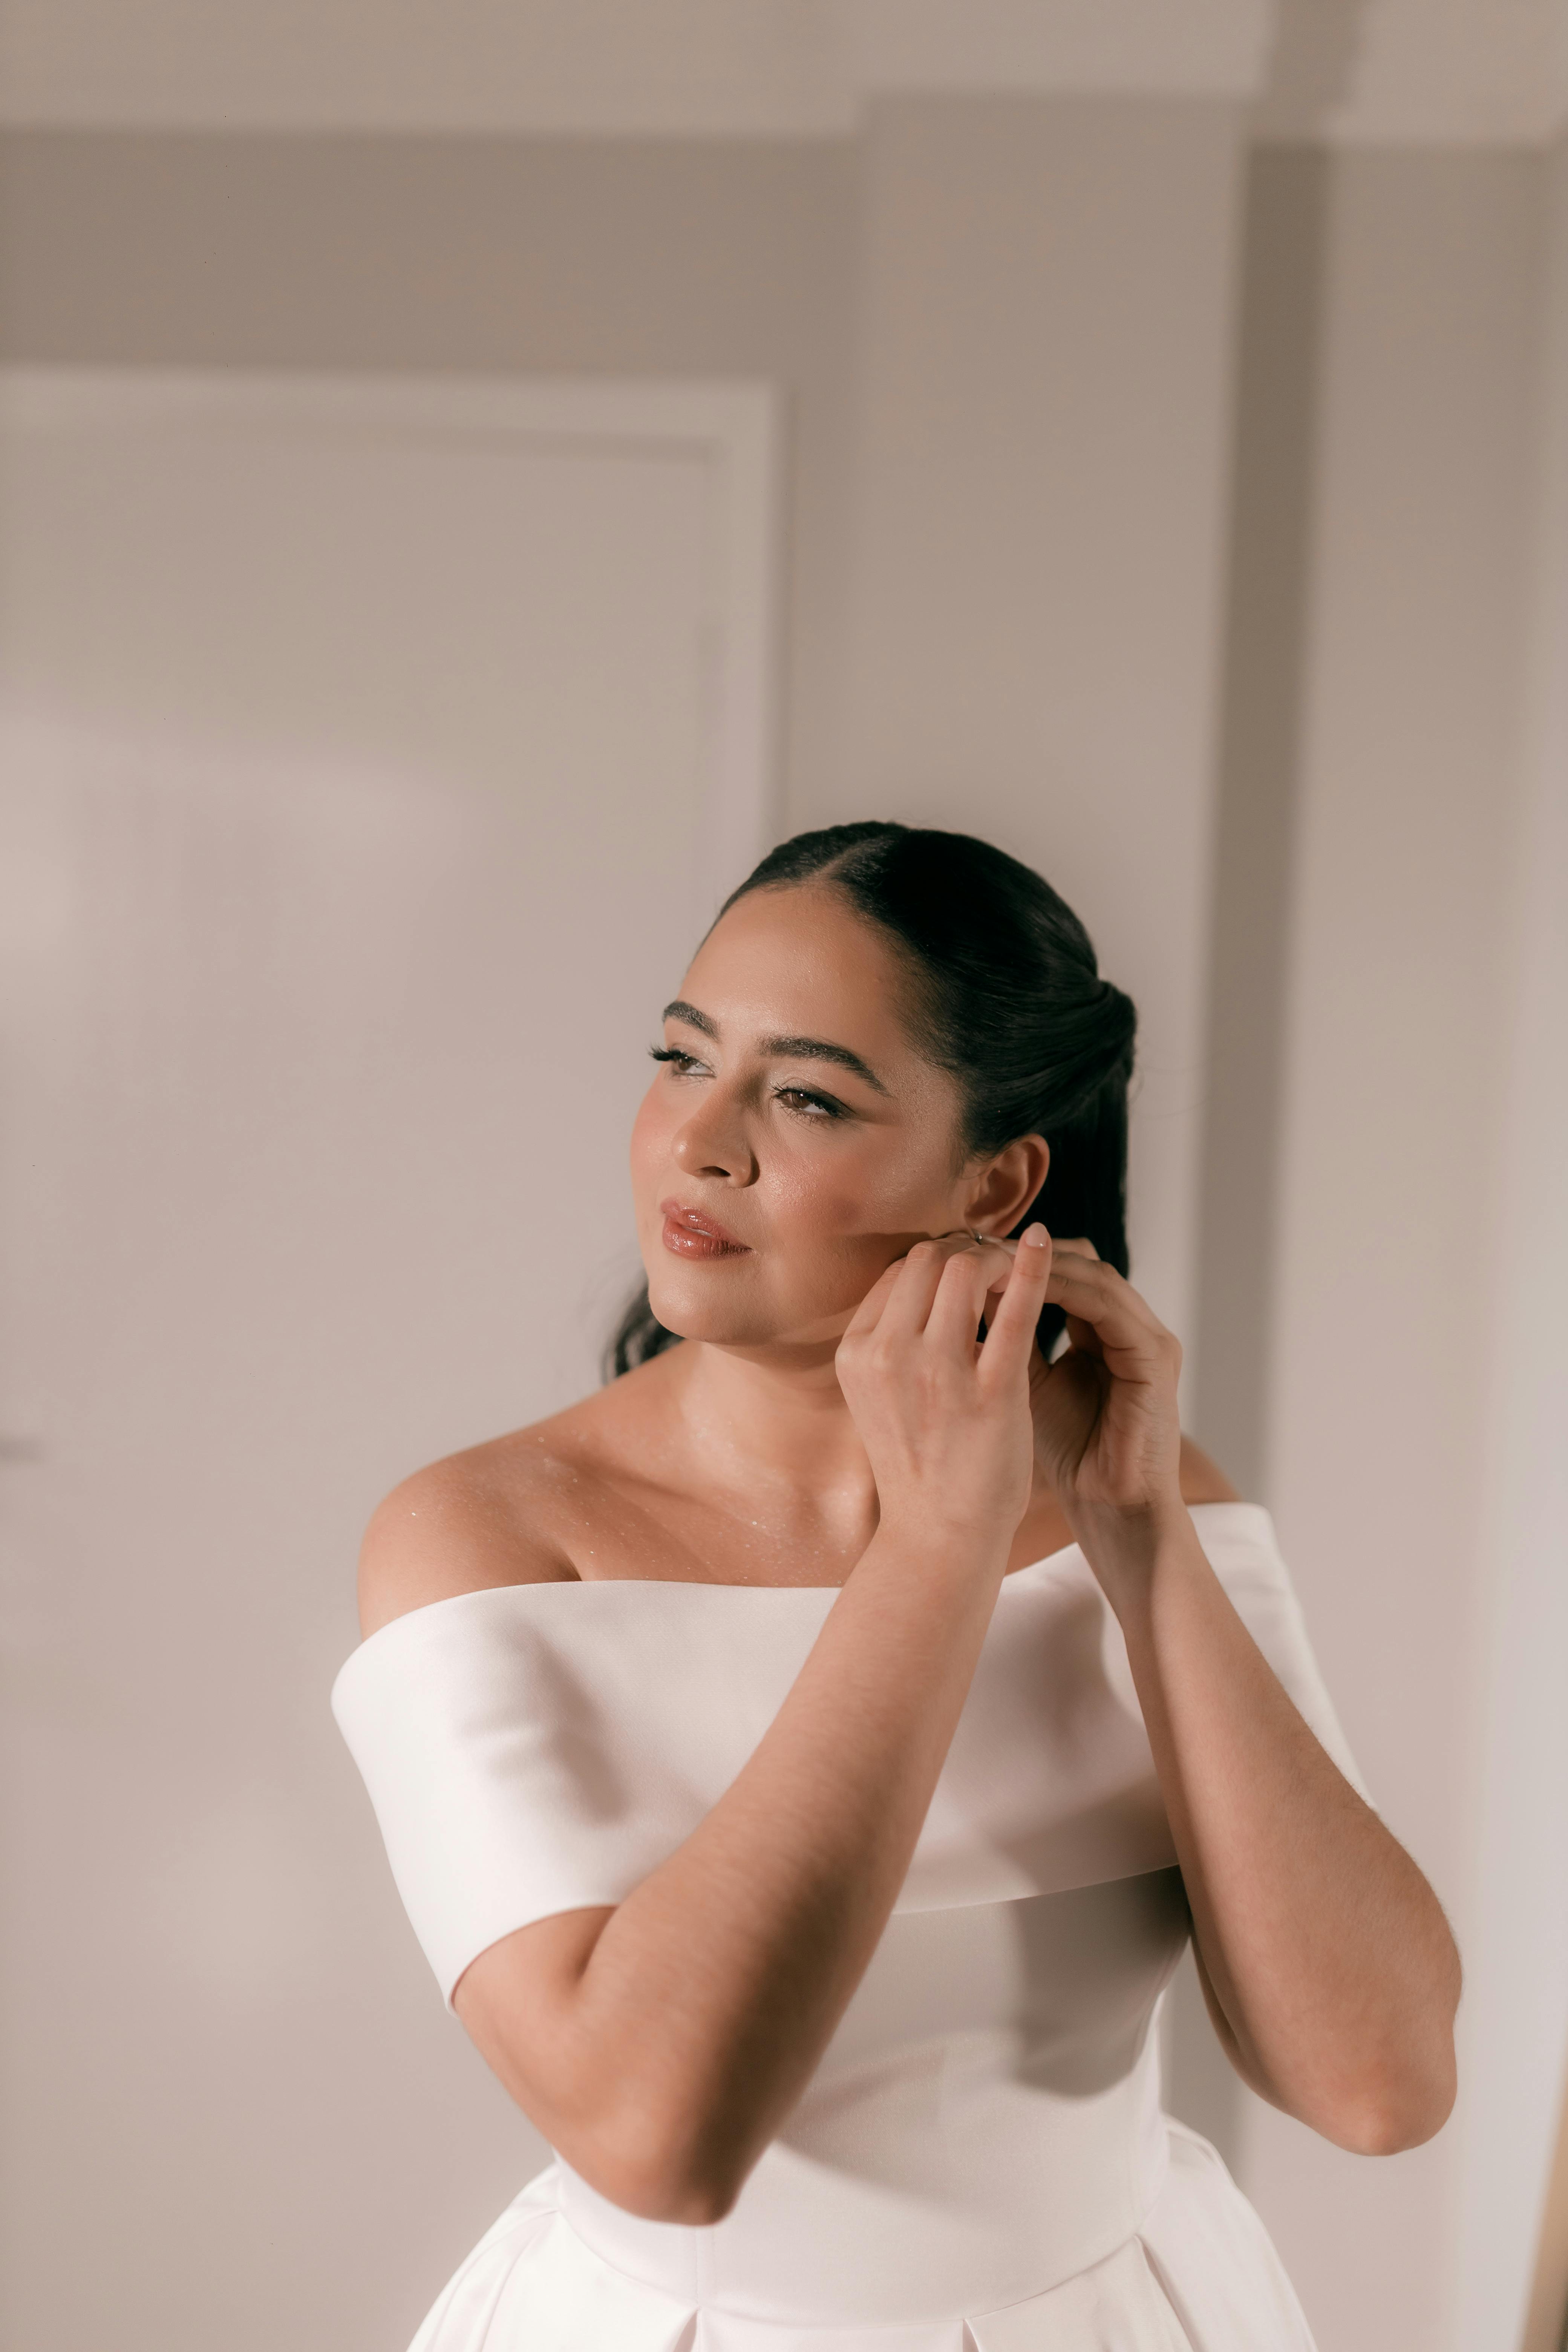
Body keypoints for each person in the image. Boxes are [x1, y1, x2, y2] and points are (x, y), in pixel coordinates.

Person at [334, 821, 1460, 2351]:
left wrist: (1137, 1536)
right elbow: (654, 2141)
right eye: (681, 1059)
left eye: (803, 1095)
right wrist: (937, 1547)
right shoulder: (489, 1539)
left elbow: (1379, 2085)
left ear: (997, 1180)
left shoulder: (1142, 1497)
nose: (698, 1142)